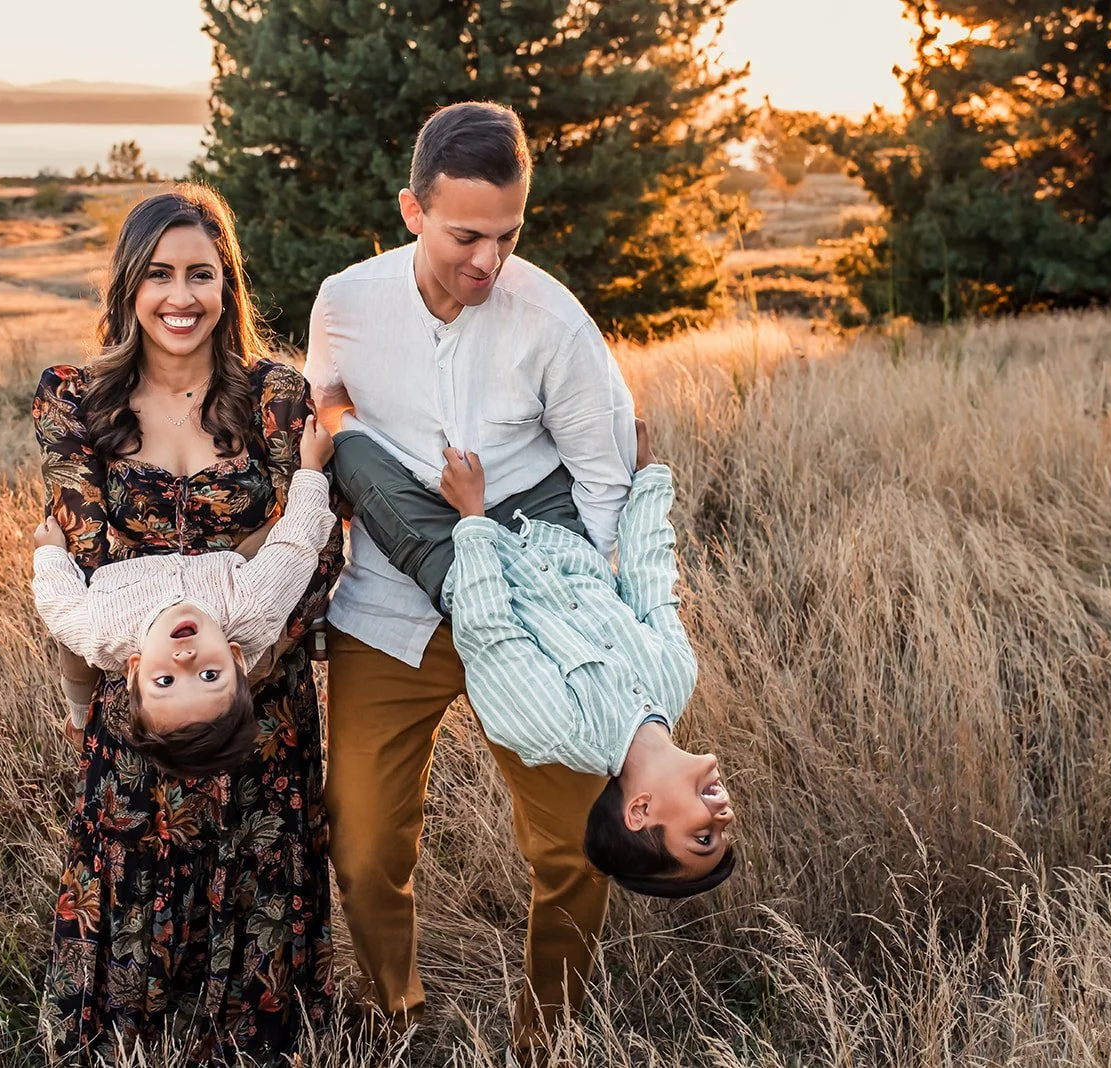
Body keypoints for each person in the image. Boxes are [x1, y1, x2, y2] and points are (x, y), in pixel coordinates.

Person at [305, 100, 637, 1055]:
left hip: (530, 608)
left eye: (509, 234)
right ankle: (396, 1021)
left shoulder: (554, 320)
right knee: (362, 847)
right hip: (389, 606)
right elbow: (331, 423)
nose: (489, 260)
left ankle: (544, 1042)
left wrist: (578, 622)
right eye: (465, 236)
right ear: (413, 211)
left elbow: (606, 481)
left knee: (575, 846)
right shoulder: (345, 303)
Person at [33, 183, 342, 1066]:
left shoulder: (275, 397)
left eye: (201, 274)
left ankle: (252, 1038)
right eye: (160, 274)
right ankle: (131, 1034)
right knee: (134, 875)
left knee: (259, 872)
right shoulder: (76, 399)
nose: (181, 296)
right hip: (138, 699)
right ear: (128, 284)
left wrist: (232, 661)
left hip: (261, 702)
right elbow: (80, 556)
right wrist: (236, 560)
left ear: (226, 283)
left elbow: (315, 550)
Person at [329, 421, 737, 898]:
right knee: (519, 419)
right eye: (724, 830)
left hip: (456, 554)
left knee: (349, 449)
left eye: (703, 837)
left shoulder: (560, 731)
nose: (724, 816)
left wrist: (472, 515)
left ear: (640, 811)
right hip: (550, 526)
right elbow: (650, 578)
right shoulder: (676, 677)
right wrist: (648, 477)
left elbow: (489, 631)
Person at [29, 418, 336, 779]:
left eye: (165, 682)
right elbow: (298, 541)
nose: (186, 659)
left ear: (134, 672)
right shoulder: (251, 604)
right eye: (209, 675)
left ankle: (79, 718)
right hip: (228, 590)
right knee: (277, 562)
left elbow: (59, 603)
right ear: (236, 660)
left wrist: (49, 553)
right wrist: (312, 466)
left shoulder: (105, 626)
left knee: (75, 652)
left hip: (133, 584)